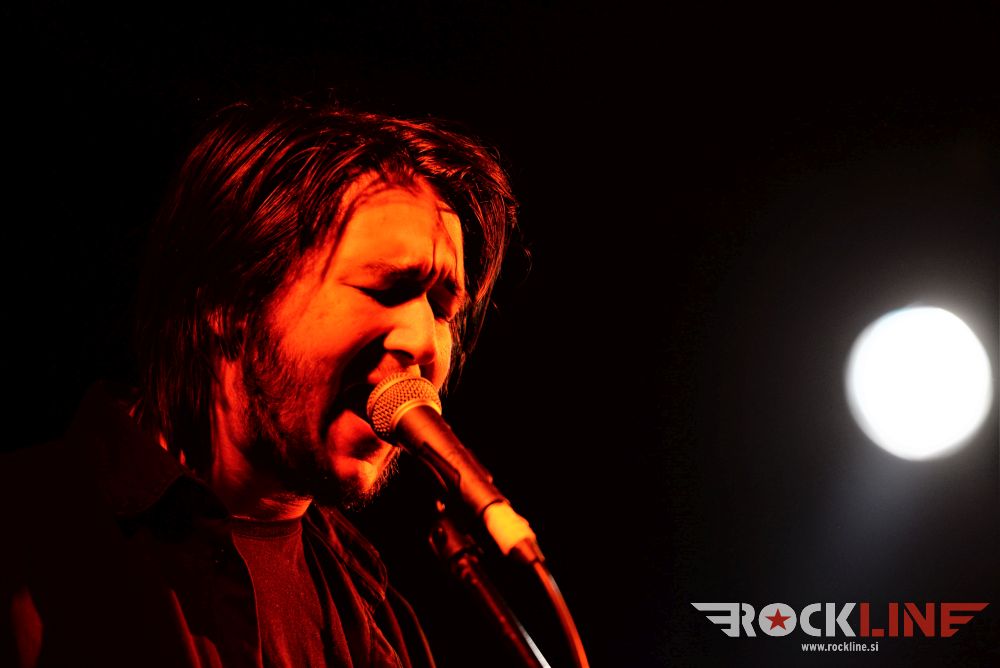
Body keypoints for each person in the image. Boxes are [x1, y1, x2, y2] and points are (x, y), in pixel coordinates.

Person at [0, 98, 518, 667]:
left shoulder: (379, 617)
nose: (424, 344)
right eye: (385, 289)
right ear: (229, 306)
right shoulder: (28, 534)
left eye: (442, 308)